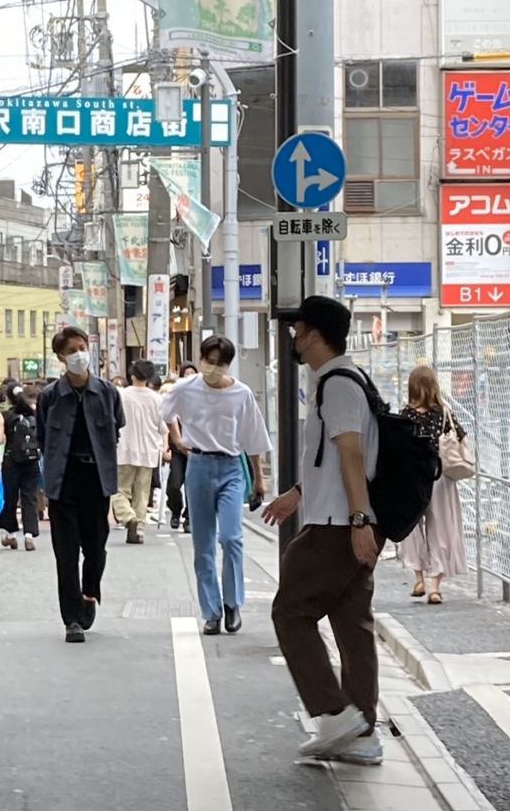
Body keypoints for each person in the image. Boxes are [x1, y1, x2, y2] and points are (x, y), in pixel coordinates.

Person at [264, 296, 384, 765]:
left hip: (337, 525)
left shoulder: (336, 383)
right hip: (343, 519)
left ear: (314, 333)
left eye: (298, 330)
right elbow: (336, 459)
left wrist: (357, 521)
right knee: (353, 625)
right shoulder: (344, 380)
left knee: (291, 613)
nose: (294, 336)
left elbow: (351, 453)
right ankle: (361, 736)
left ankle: (335, 713)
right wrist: (299, 491)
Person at [161, 337, 270, 636]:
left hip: (232, 467)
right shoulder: (186, 387)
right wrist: (177, 438)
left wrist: (258, 477)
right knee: (203, 543)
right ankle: (211, 611)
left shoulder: (241, 393)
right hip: (198, 465)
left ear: (228, 365)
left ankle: (233, 603)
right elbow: (166, 411)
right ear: (201, 358)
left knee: (231, 537)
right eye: (209, 360)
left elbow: (253, 436)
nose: (213, 368)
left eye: (220, 363)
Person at [37, 326, 125, 643]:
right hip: (63, 479)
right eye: (71, 350)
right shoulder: (49, 397)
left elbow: (116, 431)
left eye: (82, 347)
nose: (79, 354)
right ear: (60, 357)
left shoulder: (107, 392)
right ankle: (71, 619)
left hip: (96, 477)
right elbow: (44, 439)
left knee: (96, 548)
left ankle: (89, 593)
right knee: (66, 553)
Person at [397, 366, 467, 604]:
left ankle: (419, 579)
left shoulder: (405, 414)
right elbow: (461, 438)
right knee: (442, 530)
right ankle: (435, 586)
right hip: (440, 477)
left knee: (412, 528)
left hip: (412, 479)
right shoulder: (444, 413)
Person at [112, 360, 168, 545]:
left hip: (123, 449)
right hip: (148, 451)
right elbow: (163, 427)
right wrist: (165, 446)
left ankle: (129, 518)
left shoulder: (121, 395)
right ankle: (139, 530)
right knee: (142, 494)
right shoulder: (157, 399)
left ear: (132, 375)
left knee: (119, 490)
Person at [0, 384, 42, 551]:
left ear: (8, 398)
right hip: (31, 461)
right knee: (29, 497)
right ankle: (29, 535)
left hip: (11, 460)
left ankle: (11, 534)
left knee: (11, 497)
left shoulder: (4, 416)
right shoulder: (34, 414)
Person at [166, 363, 197, 533]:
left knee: (192, 486)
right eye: (186, 374)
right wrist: (174, 442)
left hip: (196, 450)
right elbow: (167, 416)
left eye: (193, 373)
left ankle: (189, 519)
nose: (189, 377)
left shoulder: (202, 396)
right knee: (174, 484)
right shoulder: (176, 394)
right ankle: (175, 510)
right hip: (178, 450)